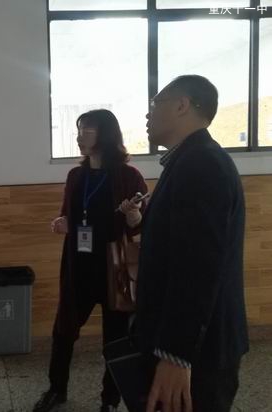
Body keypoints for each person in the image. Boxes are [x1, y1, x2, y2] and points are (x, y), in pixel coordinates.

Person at [136, 75, 248, 412]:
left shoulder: (202, 164)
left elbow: (198, 268)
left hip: (198, 351)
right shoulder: (189, 160)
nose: (148, 114)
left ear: (182, 106)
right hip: (189, 341)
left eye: (155, 104)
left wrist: (176, 354)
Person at [33, 109, 148, 412]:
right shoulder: (76, 176)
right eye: (79, 130)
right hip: (78, 266)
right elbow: (69, 215)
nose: (79, 137)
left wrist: (134, 217)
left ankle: (110, 400)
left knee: (115, 337)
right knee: (63, 331)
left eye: (86, 130)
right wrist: (63, 223)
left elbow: (140, 227)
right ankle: (56, 389)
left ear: (105, 134)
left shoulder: (129, 176)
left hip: (115, 268)